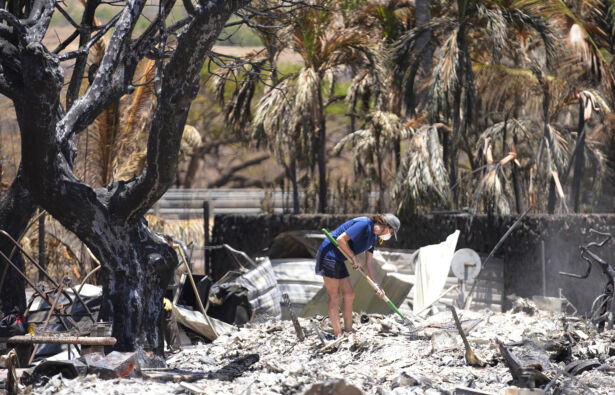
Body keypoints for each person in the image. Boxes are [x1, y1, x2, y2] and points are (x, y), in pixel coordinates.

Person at [315, 213, 400, 337]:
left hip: (339, 259)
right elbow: (340, 239)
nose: (389, 235)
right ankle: (338, 334)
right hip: (328, 255)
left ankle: (349, 332)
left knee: (349, 294)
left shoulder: (374, 238)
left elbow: (369, 262)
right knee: (334, 296)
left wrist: (377, 284)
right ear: (384, 224)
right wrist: (354, 257)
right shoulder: (364, 224)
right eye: (391, 232)